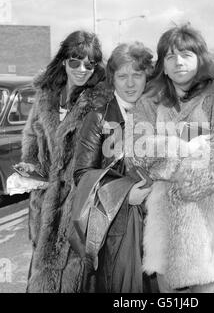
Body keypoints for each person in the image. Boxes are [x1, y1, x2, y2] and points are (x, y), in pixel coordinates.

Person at [127, 24, 214, 293]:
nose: (178, 62)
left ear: (200, 59)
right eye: (170, 57)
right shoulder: (151, 101)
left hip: (209, 235)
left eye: (185, 54)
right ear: (163, 64)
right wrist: (185, 147)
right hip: (163, 235)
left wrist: (174, 171)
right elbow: (137, 152)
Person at [20, 30, 106, 292]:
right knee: (41, 274)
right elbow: (31, 140)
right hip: (44, 204)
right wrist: (29, 169)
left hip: (78, 208)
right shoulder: (45, 96)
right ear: (63, 61)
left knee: (75, 279)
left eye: (89, 64)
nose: (82, 69)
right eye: (75, 62)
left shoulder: (99, 101)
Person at [73, 41, 157, 292]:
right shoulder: (98, 117)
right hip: (115, 230)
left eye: (137, 75)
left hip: (156, 226)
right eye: (122, 76)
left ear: (147, 77)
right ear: (112, 80)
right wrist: (124, 194)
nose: (130, 83)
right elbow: (83, 173)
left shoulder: (161, 114)